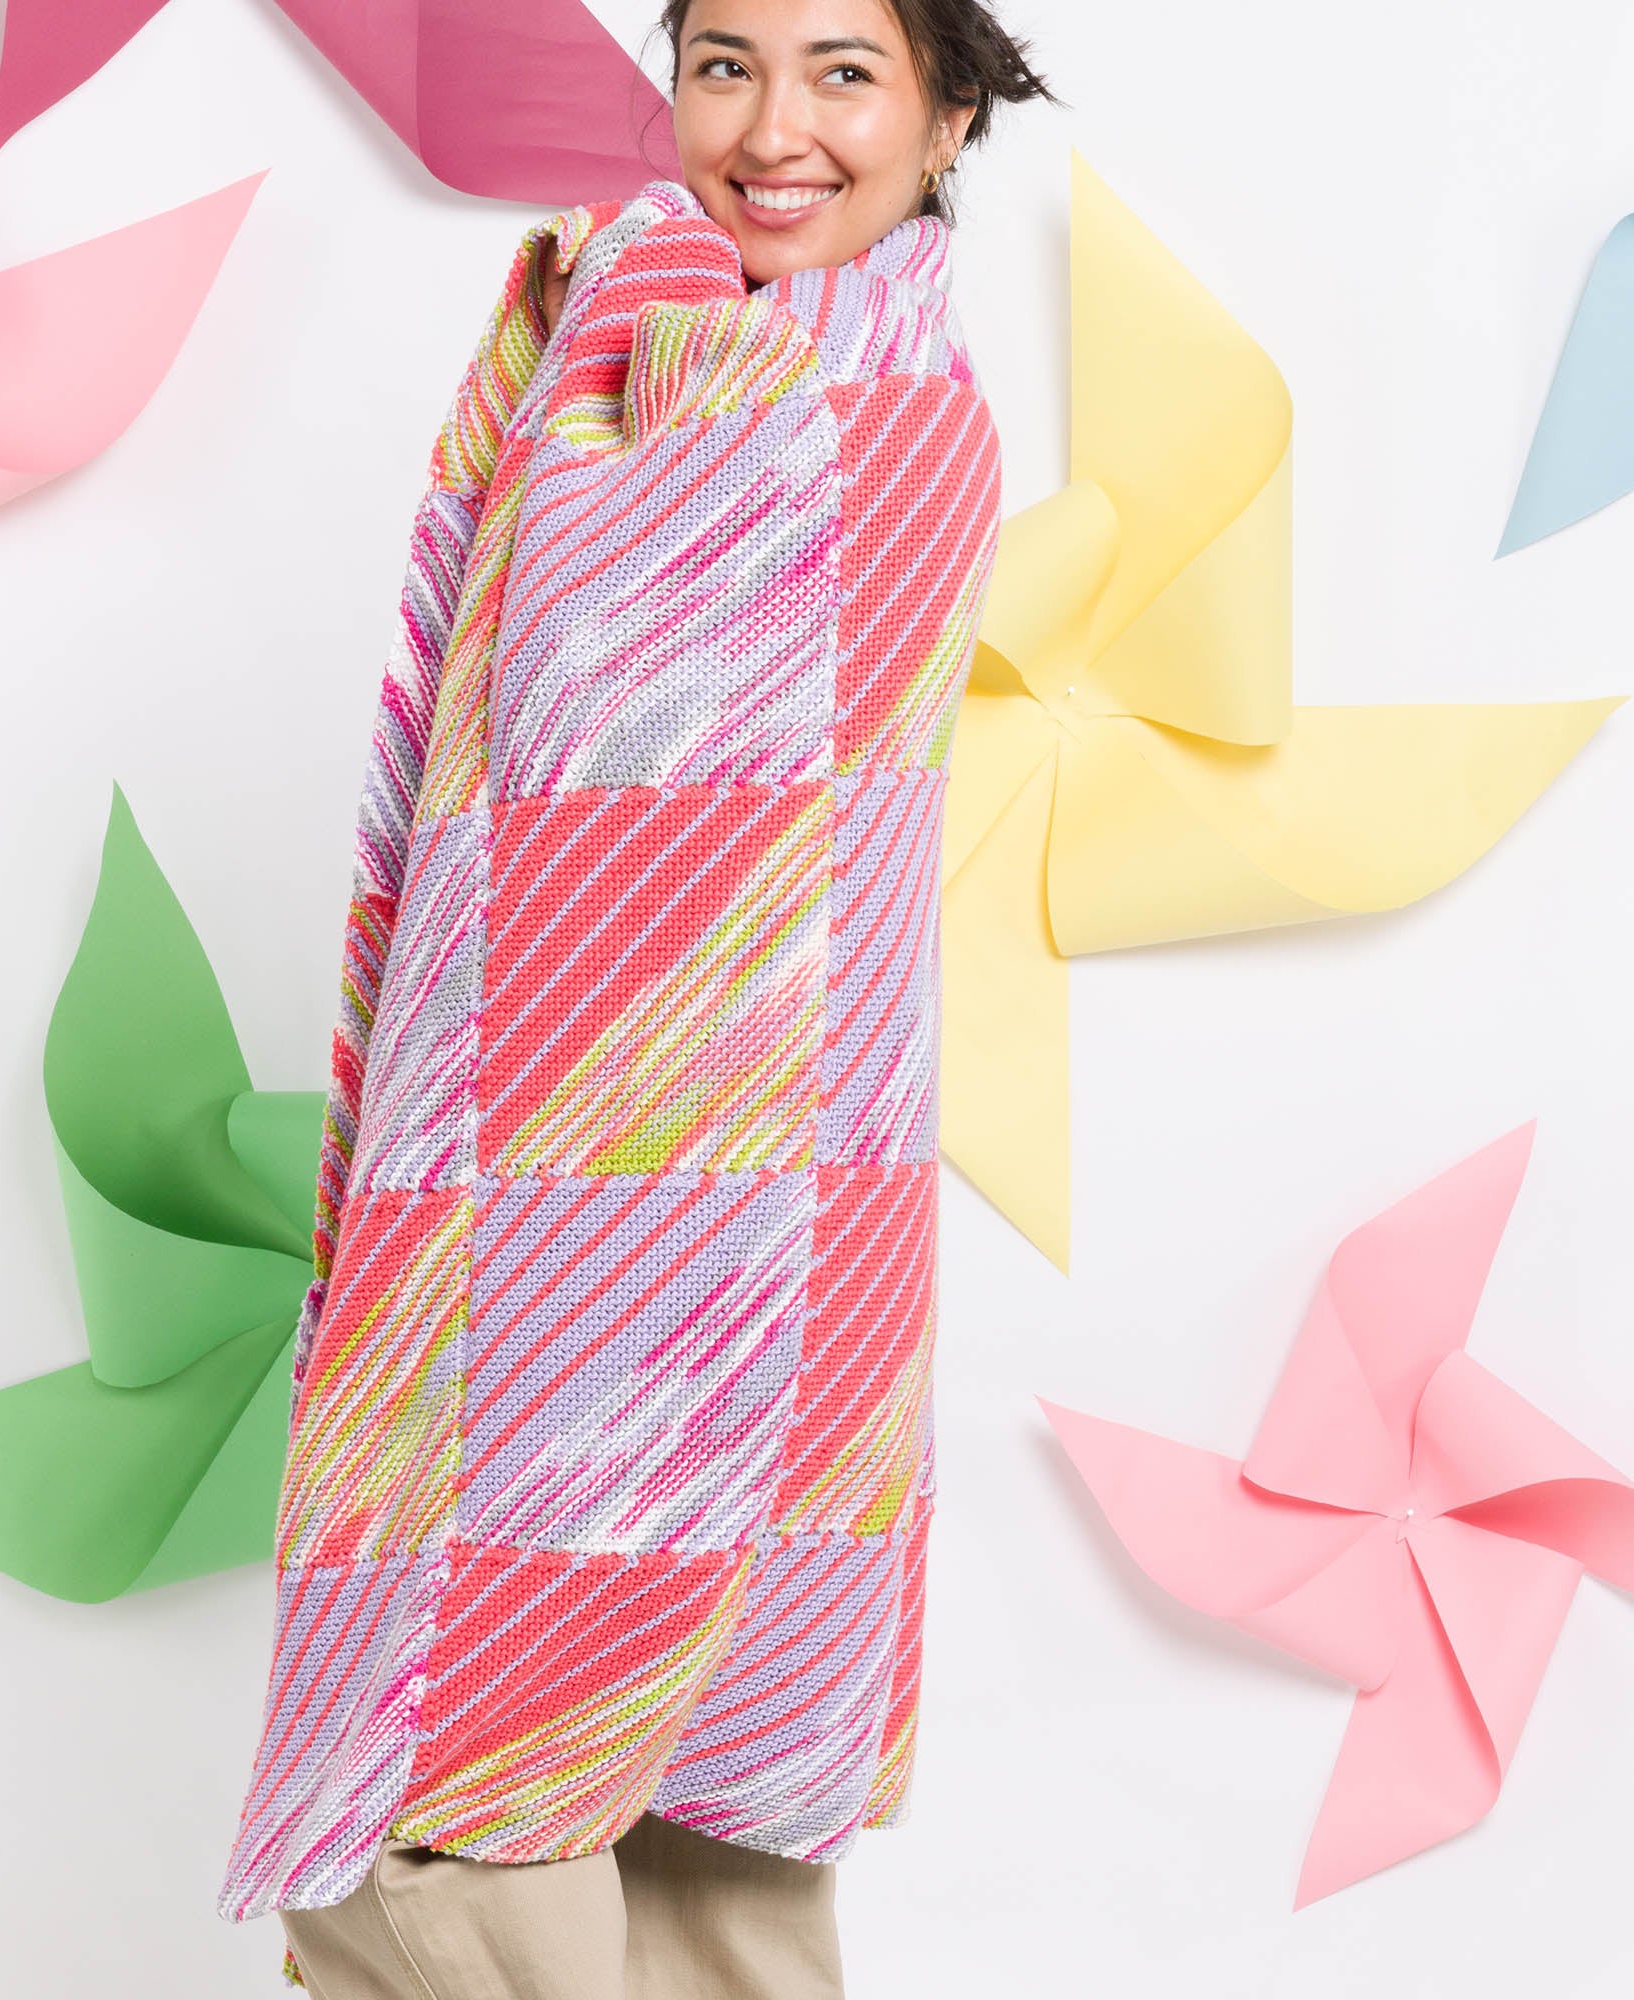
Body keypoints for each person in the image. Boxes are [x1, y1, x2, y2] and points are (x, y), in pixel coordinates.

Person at [217, 4, 1052, 1995]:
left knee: (469, 1794)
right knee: (647, 1827)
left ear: (947, 114)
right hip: (609, 1187)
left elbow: (642, 737)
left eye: (843, 72)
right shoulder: (662, 356)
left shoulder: (878, 419)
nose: (771, 129)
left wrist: (643, 283)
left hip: (692, 1213)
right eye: (722, 65)